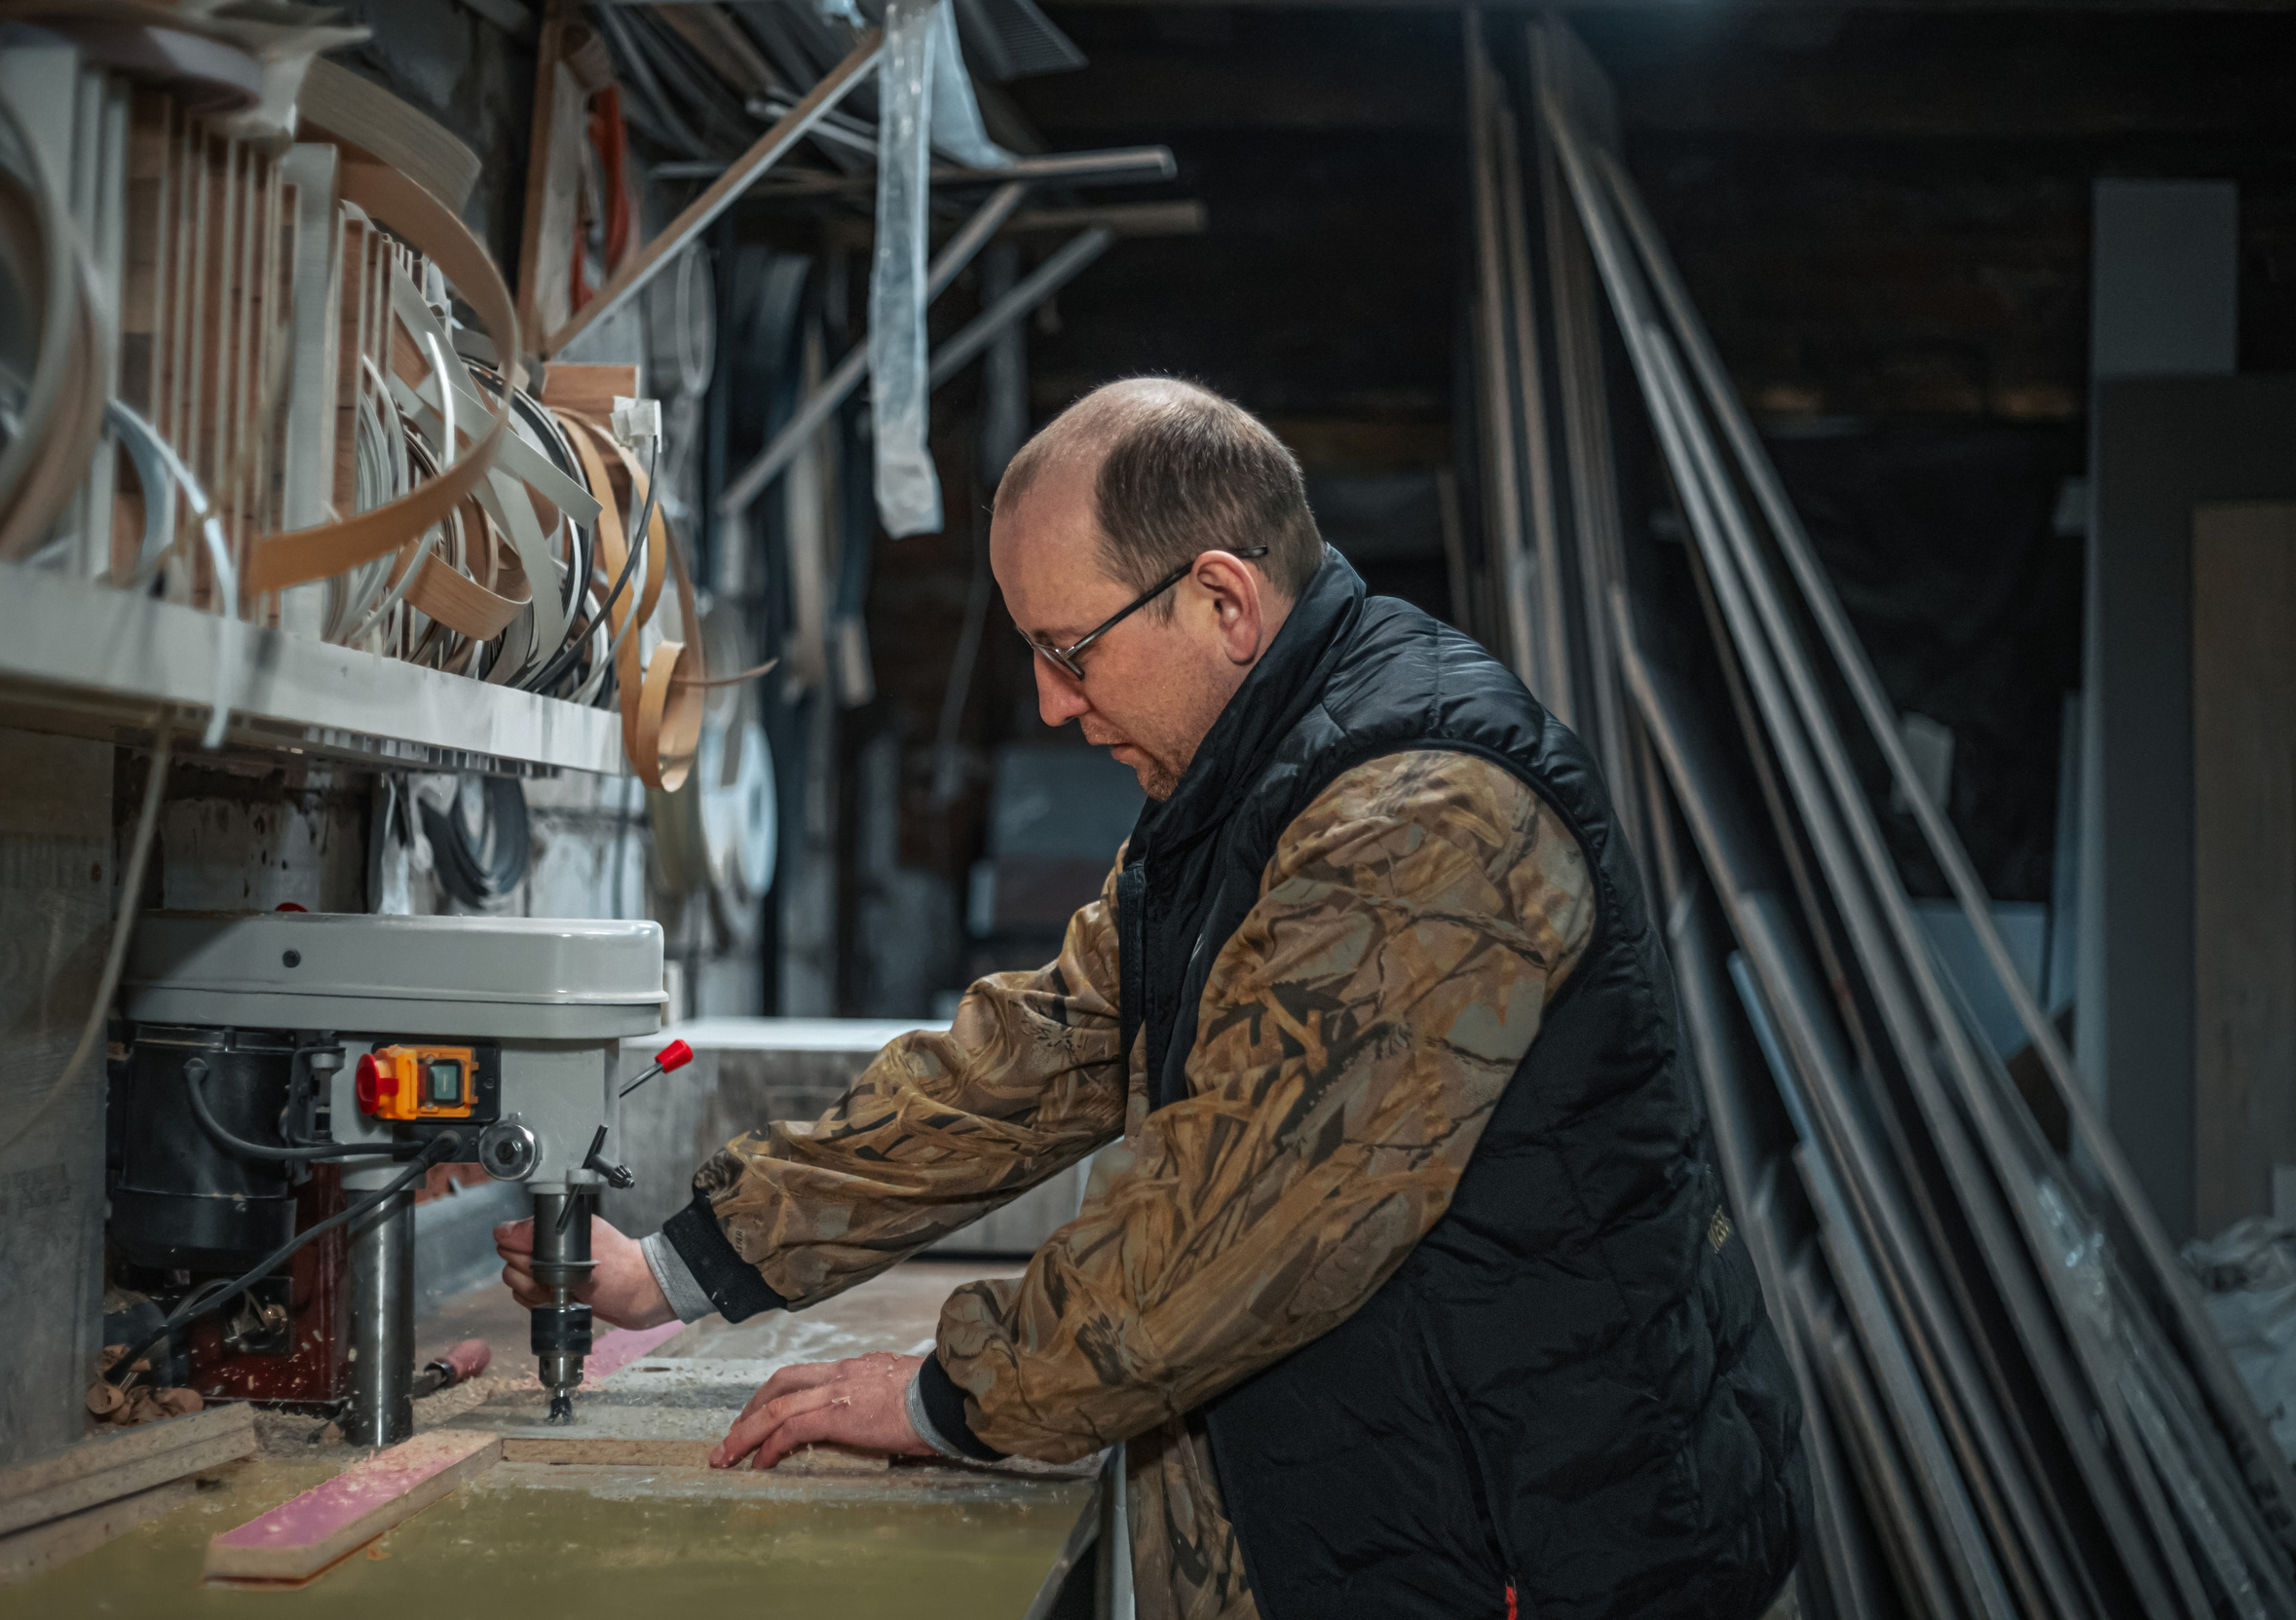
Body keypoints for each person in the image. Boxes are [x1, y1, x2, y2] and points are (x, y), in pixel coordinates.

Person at [495, 378, 1805, 1619]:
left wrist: (948, 1396)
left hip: (1526, 1552)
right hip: (1378, 1524)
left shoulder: (1418, 822)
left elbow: (1230, 1232)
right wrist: (678, 1268)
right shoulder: (1241, 791)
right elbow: (1032, 1059)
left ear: (1224, 601)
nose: (1052, 704)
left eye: (1070, 651)